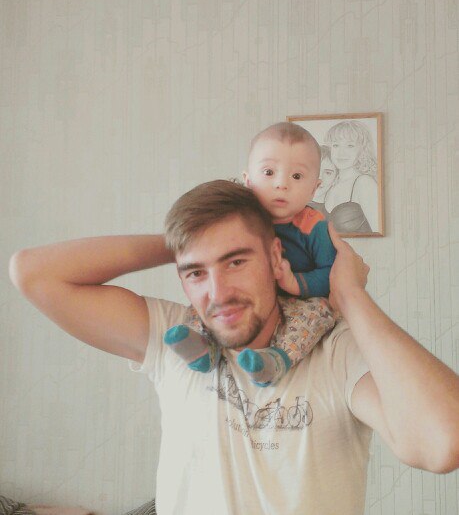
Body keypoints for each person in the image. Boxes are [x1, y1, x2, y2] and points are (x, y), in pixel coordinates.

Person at [9, 180, 459, 515]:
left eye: (236, 261)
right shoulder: (174, 337)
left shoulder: (336, 352)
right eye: (195, 272)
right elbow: (32, 273)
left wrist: (350, 295)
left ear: (276, 257)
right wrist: (183, 241)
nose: (218, 292)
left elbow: (441, 444)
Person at [165, 122, 337, 387]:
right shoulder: (238, 218)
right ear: (248, 181)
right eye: (268, 172)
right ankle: (203, 347)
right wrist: (182, 243)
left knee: (317, 315)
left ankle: (276, 360)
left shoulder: (315, 227)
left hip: (301, 299)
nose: (281, 184)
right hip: (258, 301)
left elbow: (331, 274)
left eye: (296, 177)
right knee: (203, 307)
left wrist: (295, 282)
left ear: (315, 188)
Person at [323, 119, 378, 233]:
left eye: (350, 145)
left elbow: (379, 231)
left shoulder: (364, 182)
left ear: (362, 150)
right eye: (336, 145)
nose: (341, 153)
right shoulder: (330, 183)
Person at [309, 144, 338, 216]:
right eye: (315, 170)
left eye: (328, 173)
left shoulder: (337, 214)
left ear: (336, 179)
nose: (320, 177)